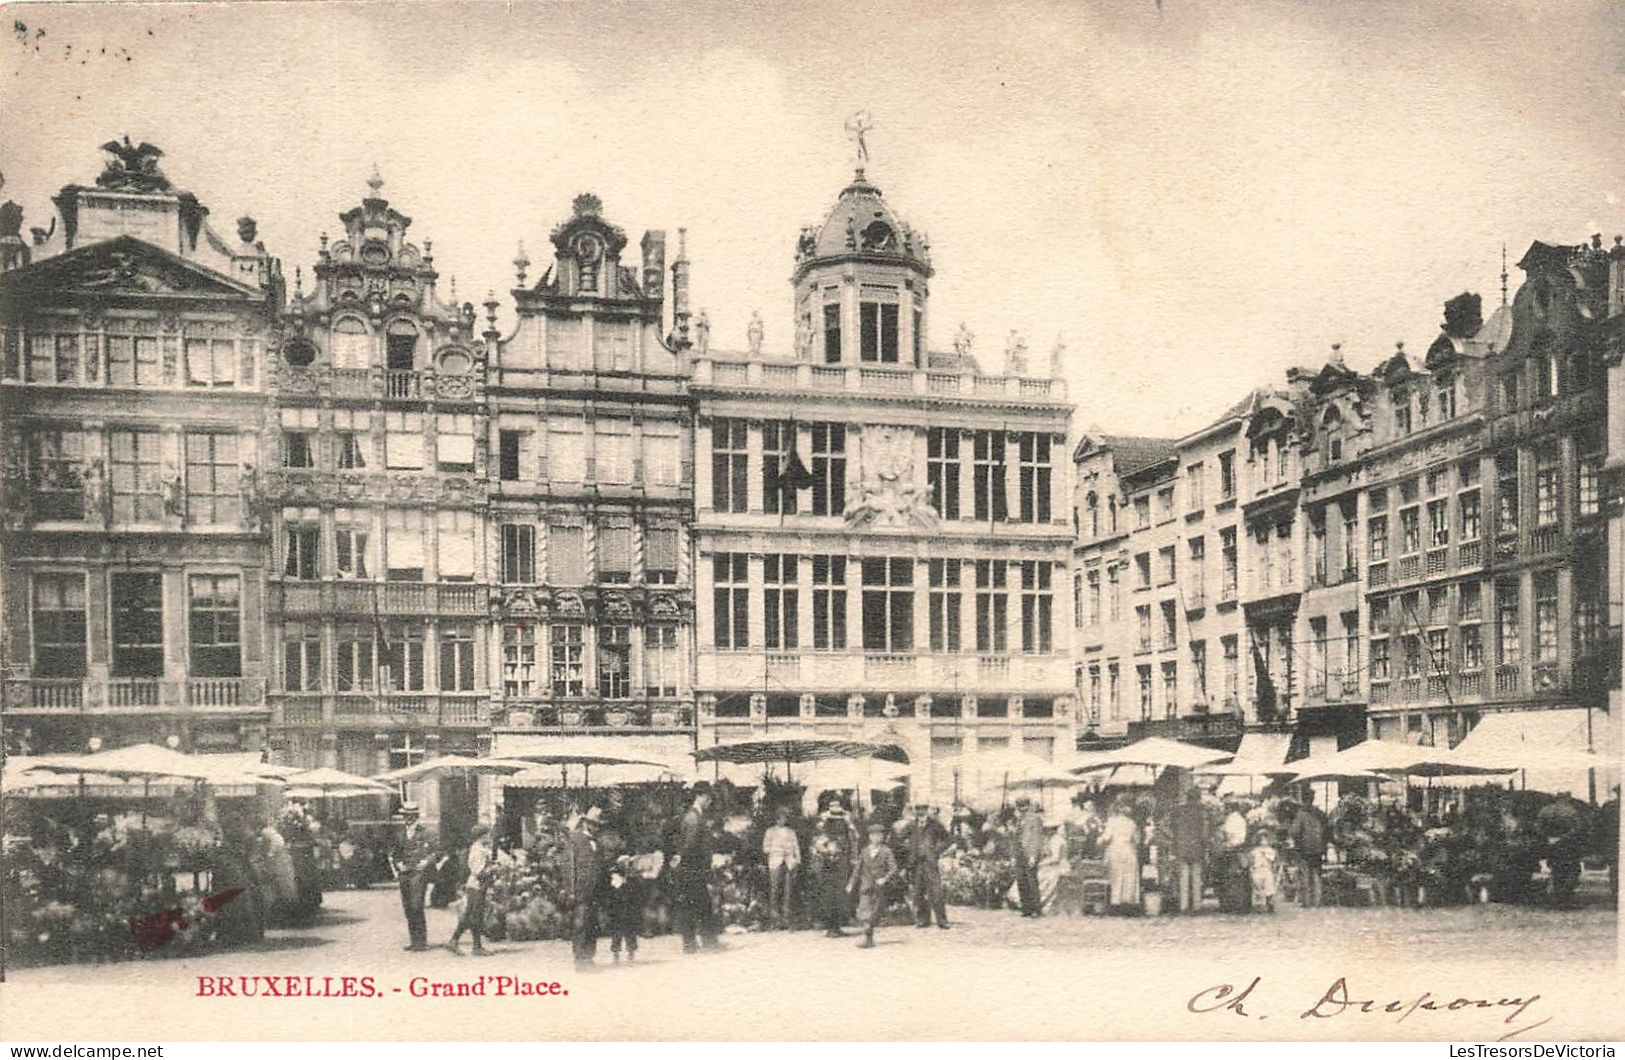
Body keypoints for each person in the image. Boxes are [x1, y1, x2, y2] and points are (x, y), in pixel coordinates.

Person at [671, 783, 720, 953]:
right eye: (707, 797)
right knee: (697, 905)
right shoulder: (693, 817)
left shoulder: (696, 816)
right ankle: (697, 943)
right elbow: (690, 845)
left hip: (693, 867)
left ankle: (700, 942)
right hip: (692, 868)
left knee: (698, 905)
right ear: (699, 796)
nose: (709, 801)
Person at [389, 802, 440, 951]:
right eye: (406, 816)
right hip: (404, 873)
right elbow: (395, 854)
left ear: (416, 816)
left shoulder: (426, 832)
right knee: (408, 907)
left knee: (417, 905)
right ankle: (414, 941)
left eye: (411, 816)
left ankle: (421, 942)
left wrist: (425, 862)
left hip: (419, 873)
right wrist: (399, 865)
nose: (408, 819)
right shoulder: (399, 834)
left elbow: (437, 852)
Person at [562, 806, 604, 966]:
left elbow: (600, 867)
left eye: (598, 825)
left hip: (595, 891)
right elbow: (569, 867)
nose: (595, 827)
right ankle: (580, 959)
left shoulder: (597, 843)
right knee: (580, 924)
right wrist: (571, 891)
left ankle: (589, 957)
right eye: (593, 824)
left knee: (592, 924)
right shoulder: (575, 839)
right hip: (580, 890)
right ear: (586, 823)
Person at [898, 803, 951, 929]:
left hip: (930, 862)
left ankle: (942, 920)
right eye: (918, 809)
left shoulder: (934, 824)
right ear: (915, 810)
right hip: (916, 863)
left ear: (927, 809)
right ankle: (923, 919)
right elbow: (899, 839)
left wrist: (936, 851)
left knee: (936, 892)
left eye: (923, 808)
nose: (920, 811)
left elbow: (947, 839)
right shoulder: (911, 825)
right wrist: (910, 849)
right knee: (918, 892)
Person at [848, 822, 899, 948]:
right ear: (870, 837)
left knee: (875, 913)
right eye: (873, 835)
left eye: (879, 835)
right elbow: (857, 869)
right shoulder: (864, 851)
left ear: (882, 837)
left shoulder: (886, 851)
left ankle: (869, 936)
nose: (876, 838)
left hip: (879, 888)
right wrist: (851, 884)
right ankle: (867, 938)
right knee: (864, 911)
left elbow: (893, 869)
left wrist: (884, 879)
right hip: (866, 886)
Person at [446, 825, 492, 955]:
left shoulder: (481, 848)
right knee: (474, 915)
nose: (489, 837)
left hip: (477, 886)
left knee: (470, 915)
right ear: (482, 836)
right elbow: (478, 871)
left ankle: (456, 942)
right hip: (476, 885)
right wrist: (493, 869)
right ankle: (474, 947)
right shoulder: (478, 850)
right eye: (488, 834)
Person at [811, 816, 855, 937]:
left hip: (836, 872)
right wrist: (829, 852)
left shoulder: (838, 840)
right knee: (829, 899)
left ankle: (836, 927)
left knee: (837, 898)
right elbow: (819, 853)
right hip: (827, 872)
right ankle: (831, 927)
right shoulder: (823, 839)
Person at [761, 805, 801, 930]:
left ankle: (786, 918)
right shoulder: (770, 831)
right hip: (776, 861)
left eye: (785, 818)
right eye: (780, 818)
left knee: (788, 890)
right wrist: (777, 849)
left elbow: (796, 847)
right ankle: (775, 918)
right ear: (776, 819)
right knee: (775, 889)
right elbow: (765, 848)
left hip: (789, 862)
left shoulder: (791, 832)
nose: (782, 820)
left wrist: (797, 860)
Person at [1170, 787, 1209, 914]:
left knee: (1183, 877)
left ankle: (1184, 906)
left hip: (1181, 847)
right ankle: (1197, 905)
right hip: (1197, 847)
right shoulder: (1202, 812)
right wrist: (1205, 846)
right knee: (1197, 877)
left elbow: (1173, 829)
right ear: (1198, 798)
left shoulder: (1178, 811)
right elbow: (1204, 832)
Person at [1288, 791, 1330, 908]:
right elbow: (1327, 830)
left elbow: (1295, 831)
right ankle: (1318, 901)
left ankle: (1307, 901)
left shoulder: (1301, 814)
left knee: (1305, 874)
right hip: (1319, 847)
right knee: (1317, 873)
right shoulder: (1320, 813)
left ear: (1303, 799)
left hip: (1304, 847)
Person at [1101, 799, 1141, 912]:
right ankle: (1127, 903)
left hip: (1116, 850)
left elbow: (1107, 837)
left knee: (1116, 876)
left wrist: (1099, 840)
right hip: (1129, 850)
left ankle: (1115, 904)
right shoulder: (1132, 823)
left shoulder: (1112, 821)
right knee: (1129, 877)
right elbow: (1137, 840)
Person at [604, 853, 645, 962]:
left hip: (629, 906)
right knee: (617, 931)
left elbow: (638, 890)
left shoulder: (633, 875)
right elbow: (615, 887)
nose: (627, 864)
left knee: (630, 931)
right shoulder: (614, 874)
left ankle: (631, 952)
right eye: (625, 863)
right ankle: (616, 954)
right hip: (617, 907)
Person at [1013, 799, 1045, 917]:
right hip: (1020, 853)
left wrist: (1033, 855)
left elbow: (1036, 838)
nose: (1021, 811)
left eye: (1023, 808)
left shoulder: (1034, 818)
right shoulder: (1019, 819)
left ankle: (1036, 908)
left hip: (1029, 852)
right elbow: (1016, 837)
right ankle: (1026, 908)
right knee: (1021, 881)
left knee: (1031, 881)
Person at [1036, 822, 1070, 914]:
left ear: (1053, 829)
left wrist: (1041, 864)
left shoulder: (1057, 840)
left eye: (1048, 829)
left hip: (1060, 865)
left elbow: (1056, 858)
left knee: (1046, 877)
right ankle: (1038, 902)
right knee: (1039, 874)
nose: (1045, 831)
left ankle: (1044, 903)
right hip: (1052, 865)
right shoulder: (1051, 839)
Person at [1249, 831, 1279, 913]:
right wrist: (1252, 868)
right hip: (1257, 870)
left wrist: (1265, 854)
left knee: (1269, 887)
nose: (1263, 842)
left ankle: (1270, 904)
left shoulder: (1270, 851)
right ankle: (1258, 905)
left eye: (1265, 840)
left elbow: (1272, 860)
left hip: (1267, 870)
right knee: (1257, 888)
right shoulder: (1254, 851)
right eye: (1261, 840)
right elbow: (1251, 860)